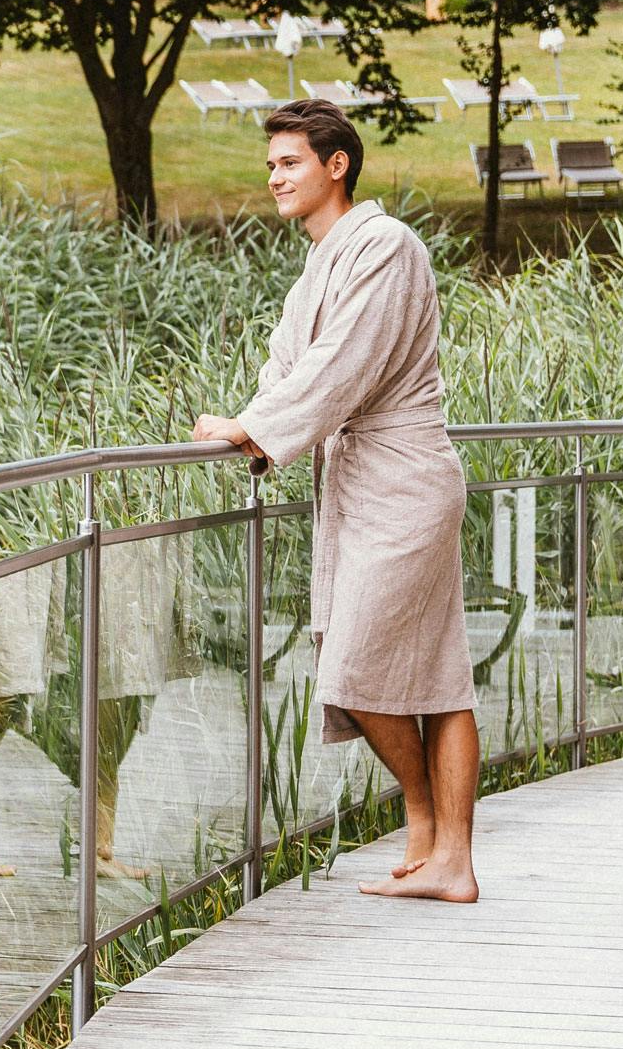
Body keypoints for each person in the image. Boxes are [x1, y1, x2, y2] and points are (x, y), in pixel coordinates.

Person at [192, 99, 481, 903]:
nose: (274, 177)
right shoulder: (318, 266)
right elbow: (290, 371)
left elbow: (342, 368)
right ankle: (434, 843)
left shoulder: (385, 247)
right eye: (273, 164)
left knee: (365, 666)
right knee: (414, 669)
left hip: (404, 479)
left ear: (336, 165)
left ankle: (443, 843)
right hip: (359, 485)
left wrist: (255, 429)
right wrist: (248, 423)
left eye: (289, 162)